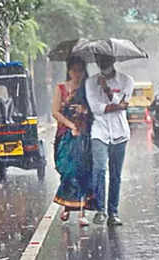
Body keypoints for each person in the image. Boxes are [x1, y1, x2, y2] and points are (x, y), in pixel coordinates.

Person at [85, 55, 134, 226]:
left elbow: (124, 105)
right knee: (99, 169)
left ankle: (113, 212)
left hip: (120, 133)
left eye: (106, 61)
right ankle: (100, 210)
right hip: (99, 132)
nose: (103, 64)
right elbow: (96, 109)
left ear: (113, 61)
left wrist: (107, 90)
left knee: (115, 175)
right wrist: (116, 106)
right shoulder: (90, 82)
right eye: (100, 62)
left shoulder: (127, 81)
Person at [52, 55, 94, 227]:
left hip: (85, 136)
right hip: (65, 136)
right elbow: (55, 112)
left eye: (80, 70)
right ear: (68, 71)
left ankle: (82, 211)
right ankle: (67, 207)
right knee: (68, 171)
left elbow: (94, 110)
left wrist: (84, 110)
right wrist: (71, 126)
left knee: (83, 172)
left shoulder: (89, 89)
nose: (77, 74)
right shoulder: (61, 88)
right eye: (74, 70)